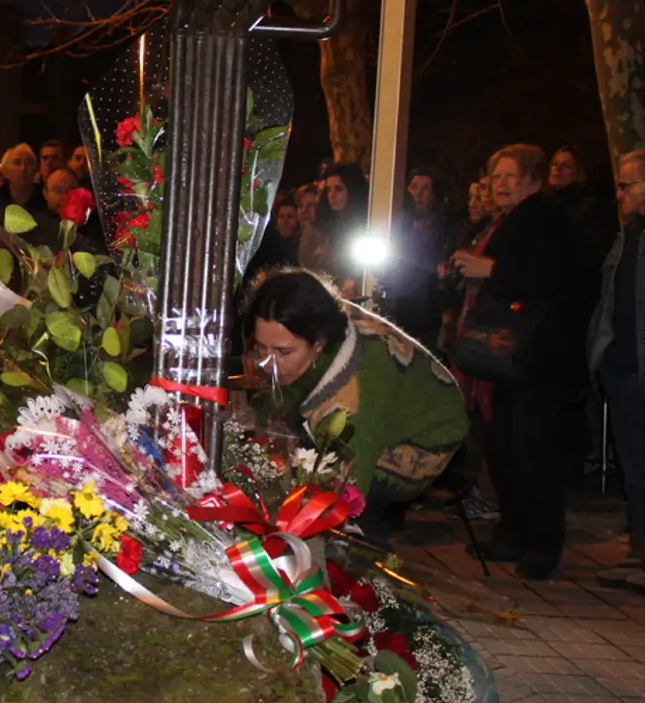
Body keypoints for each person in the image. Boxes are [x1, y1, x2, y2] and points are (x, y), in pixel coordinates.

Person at [245, 269, 468, 545]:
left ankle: (369, 574)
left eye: (282, 352)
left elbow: (345, 487)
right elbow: (283, 400)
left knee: (352, 510)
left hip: (429, 434)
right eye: (261, 347)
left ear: (318, 343)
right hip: (382, 405)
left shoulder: (356, 394)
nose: (269, 364)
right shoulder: (315, 322)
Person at [449, 144, 575, 579]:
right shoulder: (507, 220)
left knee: (532, 448)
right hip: (506, 357)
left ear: (531, 178)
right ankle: (514, 531)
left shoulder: (546, 219)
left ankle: (543, 542)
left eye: (508, 176)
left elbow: (547, 279)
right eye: (495, 177)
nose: (499, 185)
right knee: (502, 445)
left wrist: (489, 270)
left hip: (536, 355)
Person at [589, 150, 645, 591]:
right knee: (634, 465)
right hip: (623, 371)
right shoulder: (626, 236)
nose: (620, 193)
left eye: (628, 184)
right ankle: (640, 550)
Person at [549, 145, 618, 483]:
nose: (558, 170)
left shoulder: (587, 209)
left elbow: (589, 259)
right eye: (554, 164)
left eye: (566, 166)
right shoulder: (550, 207)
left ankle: (575, 461)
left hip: (575, 310)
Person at [387, 168, 456, 346]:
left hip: (429, 304)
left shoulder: (447, 224)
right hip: (399, 300)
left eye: (424, 189)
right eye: (413, 187)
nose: (417, 194)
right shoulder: (398, 221)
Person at [314, 163, 369, 296]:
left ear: (353, 190)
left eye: (338, 189)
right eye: (328, 190)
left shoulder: (367, 225)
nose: (331, 195)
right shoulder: (327, 225)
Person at [0, 143, 48, 224]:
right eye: (17, 163)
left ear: (35, 169)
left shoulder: (46, 199)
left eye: (29, 163)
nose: (23, 168)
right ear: (5, 171)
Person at [248, 192, 299, 274]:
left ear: (298, 220)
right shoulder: (266, 248)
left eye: (290, 217)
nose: (285, 221)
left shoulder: (300, 246)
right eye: (281, 217)